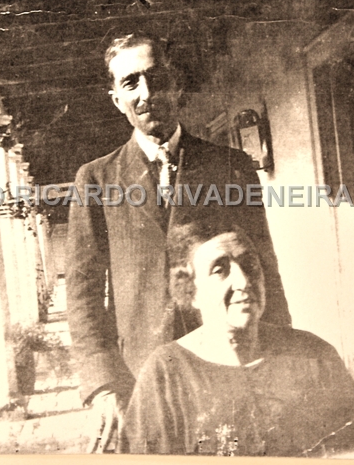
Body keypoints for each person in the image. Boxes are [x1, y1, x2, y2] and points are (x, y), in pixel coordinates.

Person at [64, 32, 291, 451]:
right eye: (131, 82)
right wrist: (102, 384)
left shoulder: (230, 166)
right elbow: (83, 292)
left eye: (156, 78)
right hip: (139, 377)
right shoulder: (95, 179)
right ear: (116, 99)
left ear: (177, 84)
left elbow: (264, 268)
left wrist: (281, 356)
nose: (146, 93)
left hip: (228, 360)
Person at [120, 218, 354, 456]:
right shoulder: (166, 372)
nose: (243, 281)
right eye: (220, 270)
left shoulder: (314, 355)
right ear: (190, 291)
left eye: (250, 265)